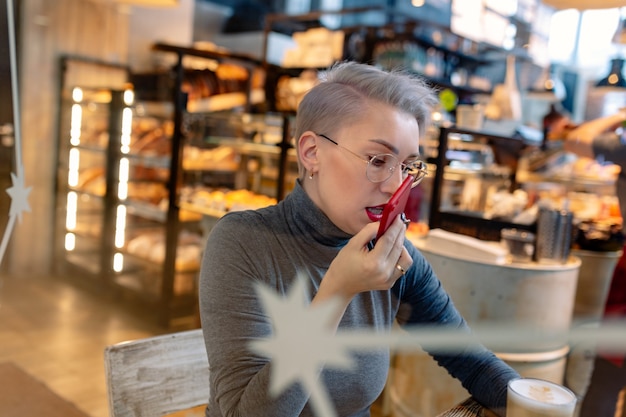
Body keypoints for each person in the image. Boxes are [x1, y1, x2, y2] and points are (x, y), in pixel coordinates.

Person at [199, 61, 520, 417]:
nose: (394, 185)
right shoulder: (242, 243)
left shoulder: (391, 254)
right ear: (312, 153)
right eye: (378, 159)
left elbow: (472, 362)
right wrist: (336, 292)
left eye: (407, 167)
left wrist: (534, 404)